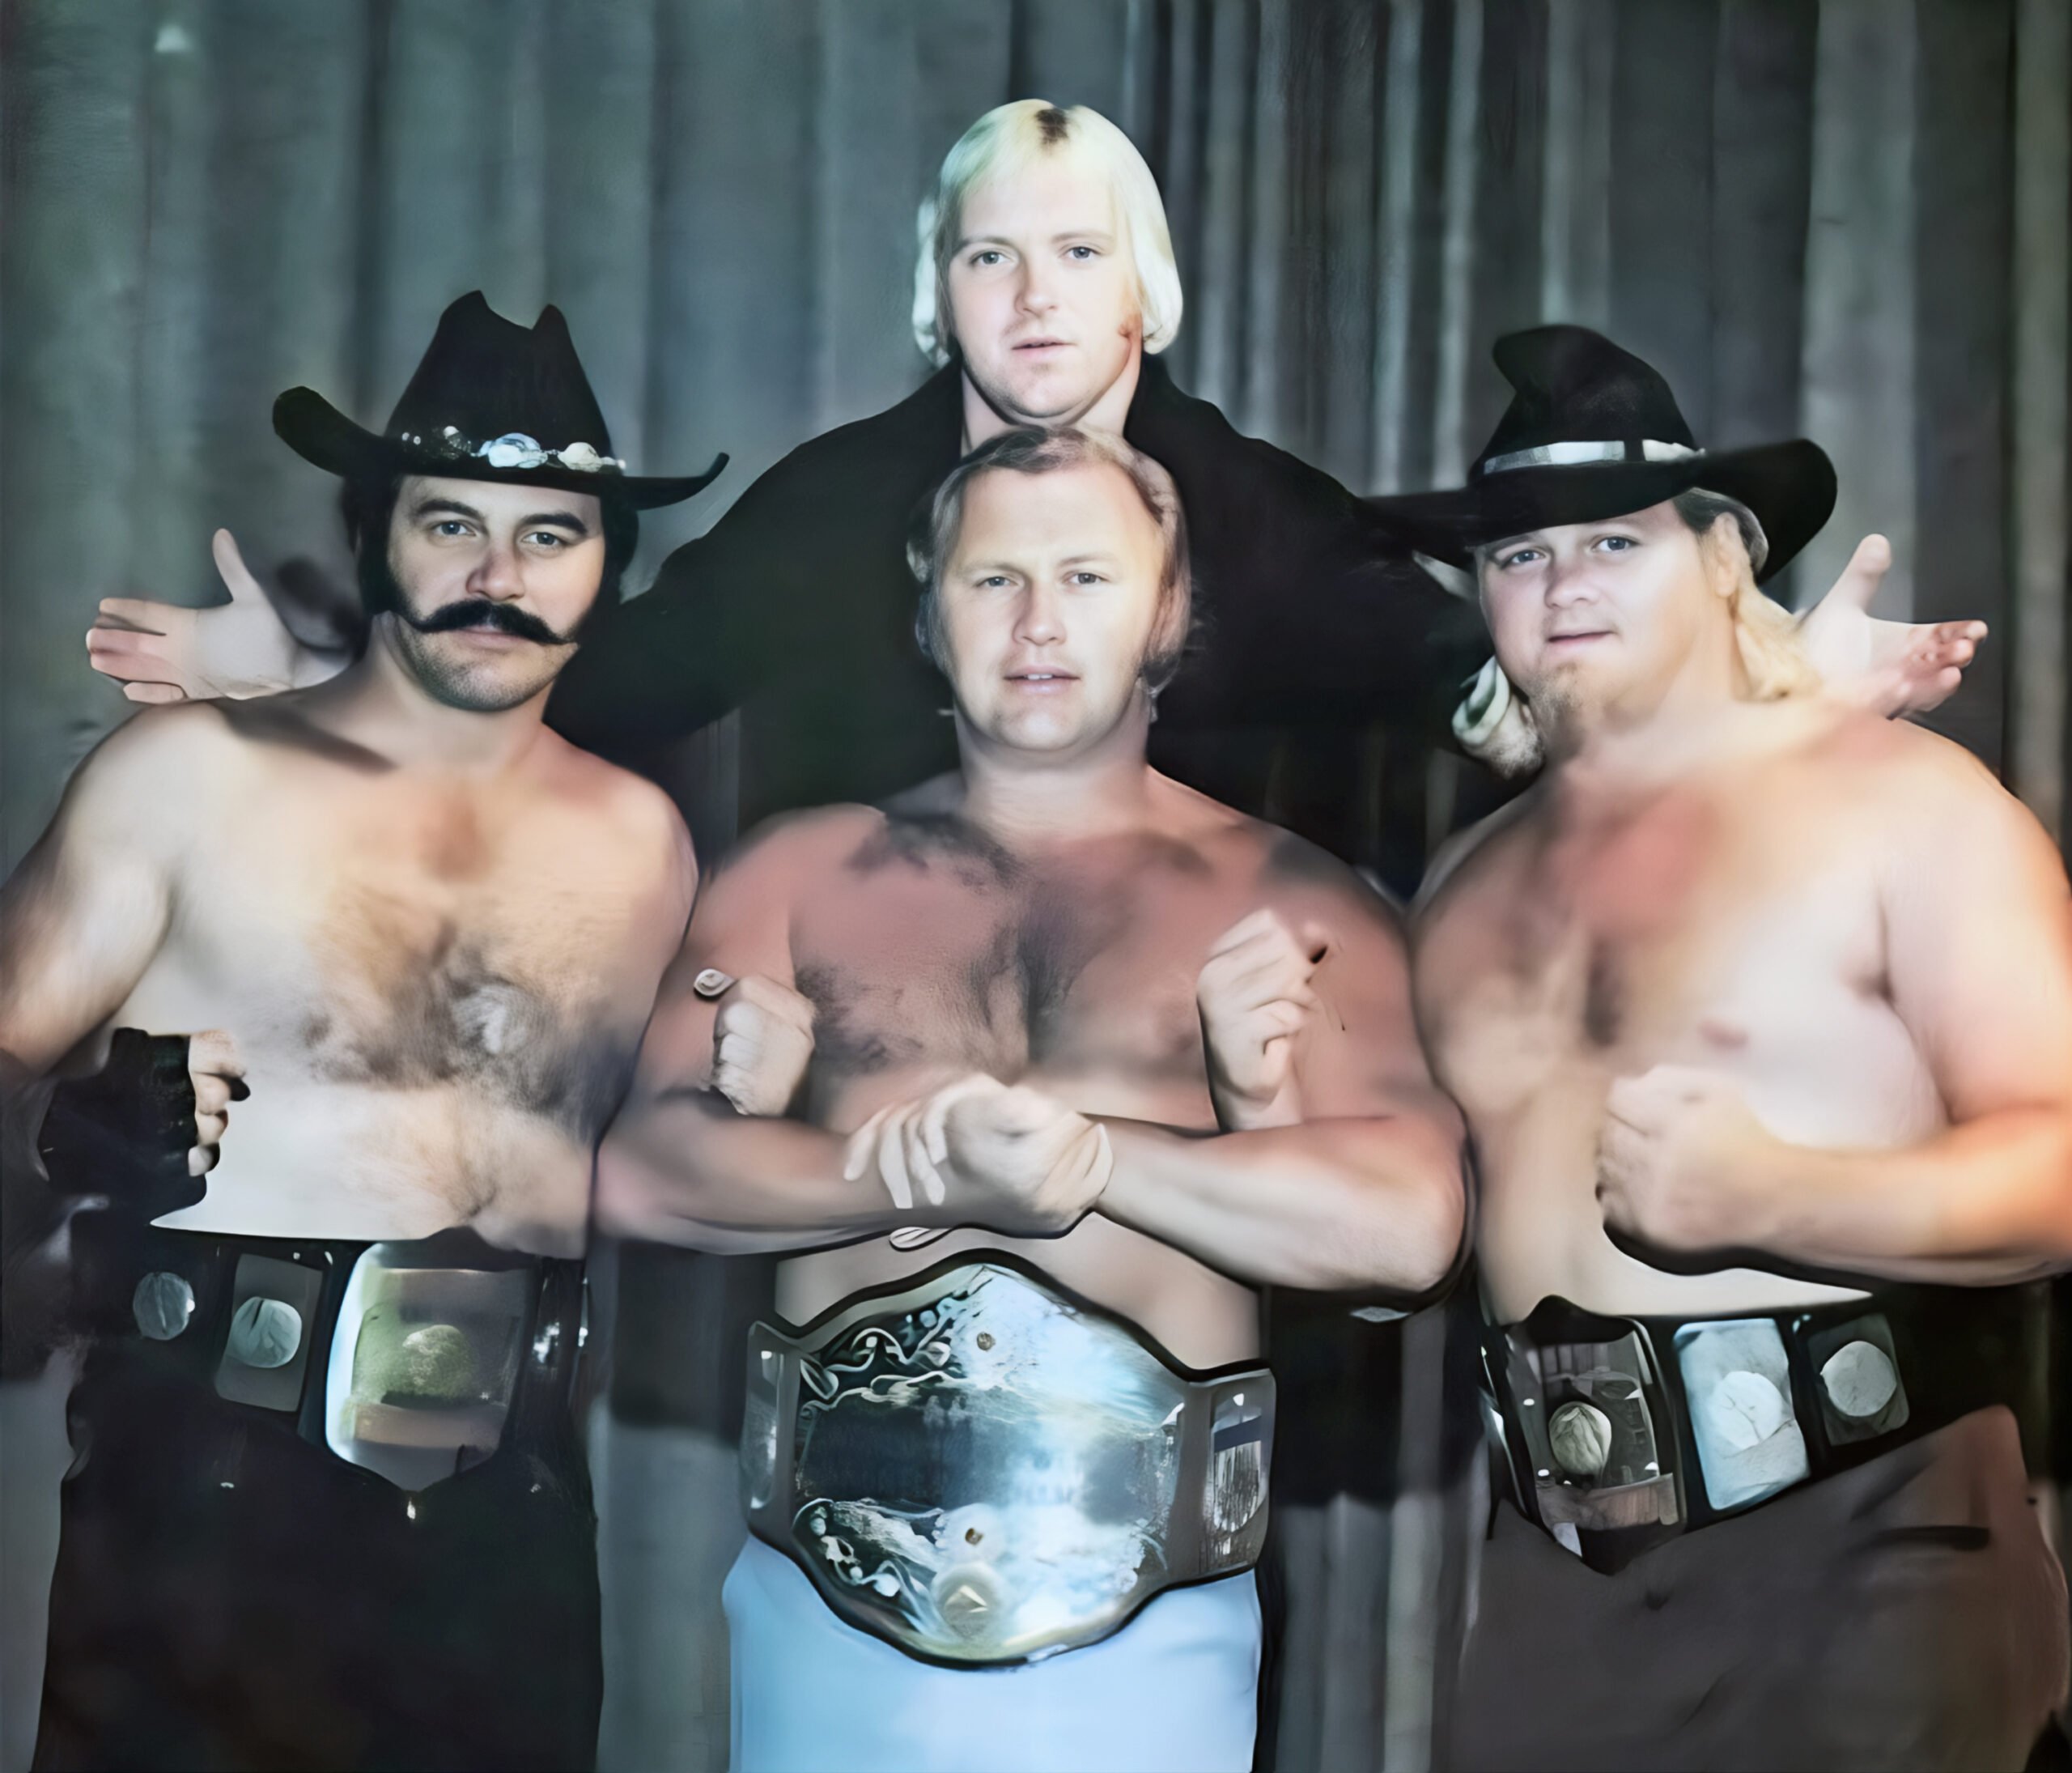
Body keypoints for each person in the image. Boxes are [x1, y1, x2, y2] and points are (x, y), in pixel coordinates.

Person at [84, 102, 1980, 848]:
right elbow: (583, 697)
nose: (1035, 293)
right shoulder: (827, 507)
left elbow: (1505, 700)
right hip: (856, 1097)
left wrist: (1766, 698)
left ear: (1143, 288)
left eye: (1076, 250)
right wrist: (309, 689)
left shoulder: (1263, 513)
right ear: (938, 293)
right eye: (990, 253)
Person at [594, 425, 1468, 1772]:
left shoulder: (1291, 899)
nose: (1037, 622)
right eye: (993, 578)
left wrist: (1090, 1158)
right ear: (927, 616)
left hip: (1152, 1632)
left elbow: (1408, 1225)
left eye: (1087, 577)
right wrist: (909, 1173)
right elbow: (643, 1172)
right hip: (827, 1612)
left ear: (1167, 613)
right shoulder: (795, 873)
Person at [2, 292, 714, 1771]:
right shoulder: (187, 775)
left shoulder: (645, 844)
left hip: (512, 1517)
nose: (498, 575)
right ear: (379, 535)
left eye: (551, 535)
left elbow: (679, 1161)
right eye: (451, 524)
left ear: (610, 569)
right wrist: (60, 1124)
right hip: (207, 1493)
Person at [1387, 326, 2072, 1769]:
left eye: (1613, 541)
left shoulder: (1911, 805)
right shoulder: (1459, 886)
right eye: (1518, 554)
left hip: (1866, 1551)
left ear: (1723, 556)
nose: (1562, 582)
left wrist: (1779, 1194)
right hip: (1552, 1587)